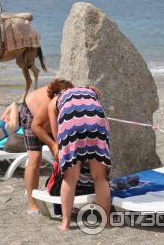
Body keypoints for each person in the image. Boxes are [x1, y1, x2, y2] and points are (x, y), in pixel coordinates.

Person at [48, 82, 111, 231]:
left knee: (70, 178)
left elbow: (55, 132)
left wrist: (61, 150)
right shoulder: (89, 91)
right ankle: (106, 221)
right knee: (100, 178)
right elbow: (104, 121)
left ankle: (66, 223)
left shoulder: (55, 100)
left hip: (71, 125)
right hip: (97, 123)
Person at [22, 79, 74, 215]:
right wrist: (52, 144)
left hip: (48, 118)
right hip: (31, 116)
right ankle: (32, 204)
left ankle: (65, 201)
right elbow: (36, 126)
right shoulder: (49, 102)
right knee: (35, 158)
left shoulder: (71, 100)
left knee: (63, 158)